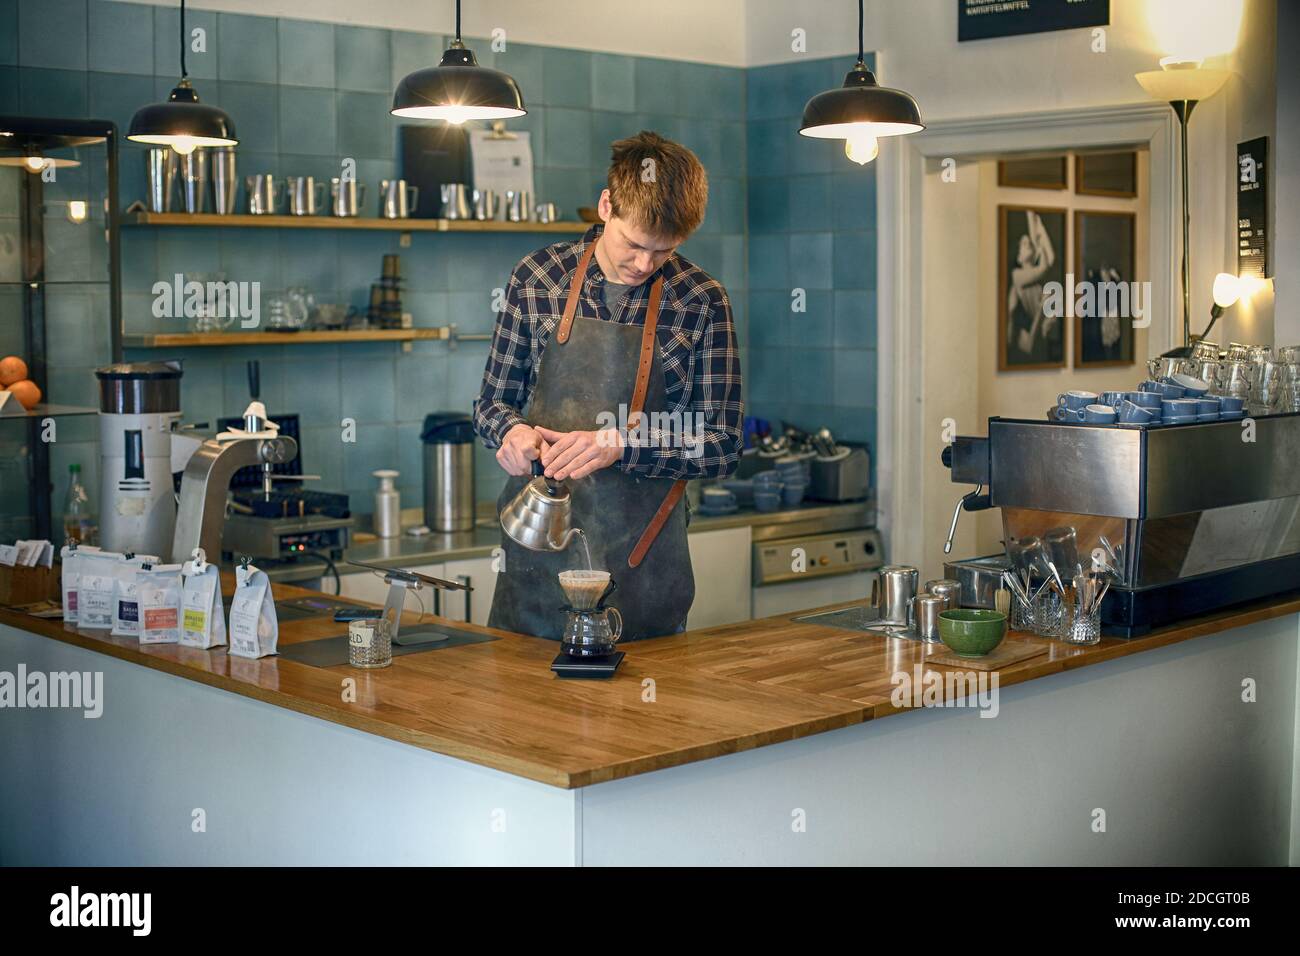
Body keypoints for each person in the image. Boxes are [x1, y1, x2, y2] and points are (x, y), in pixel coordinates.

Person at [473, 131, 743, 641]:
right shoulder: (537, 279)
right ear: (606, 206)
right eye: (635, 244)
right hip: (535, 555)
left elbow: (723, 442)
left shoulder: (702, 301)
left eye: (663, 252)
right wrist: (510, 433)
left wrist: (623, 442)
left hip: (642, 564)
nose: (644, 265)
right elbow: (492, 404)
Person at [1006, 209, 1059, 364]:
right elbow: (1044, 267)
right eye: (1023, 244)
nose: (1027, 243)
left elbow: (1050, 259)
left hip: (1039, 341)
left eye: (1028, 242)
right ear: (1019, 257)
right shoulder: (1017, 275)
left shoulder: (1037, 280)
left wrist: (1037, 223)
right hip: (1026, 341)